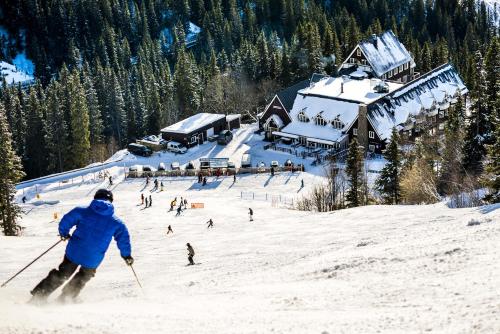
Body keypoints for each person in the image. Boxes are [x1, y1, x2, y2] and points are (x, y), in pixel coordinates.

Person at [29, 189, 133, 304]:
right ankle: (64, 300)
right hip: (93, 257)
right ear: (111, 201)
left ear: (95, 198)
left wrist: (64, 233)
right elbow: (123, 239)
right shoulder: (117, 222)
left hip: (74, 251)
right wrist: (126, 255)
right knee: (82, 278)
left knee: (62, 274)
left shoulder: (82, 211)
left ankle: (39, 296)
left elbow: (66, 221)